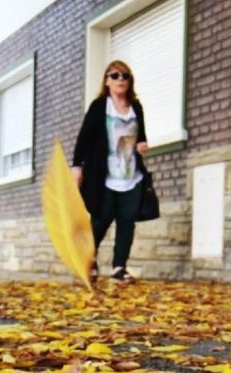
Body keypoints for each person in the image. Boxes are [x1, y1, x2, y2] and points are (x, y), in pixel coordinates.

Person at [72, 60, 149, 285]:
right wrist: (77, 166)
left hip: (131, 176)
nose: (120, 80)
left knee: (127, 223)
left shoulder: (136, 107)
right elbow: (84, 138)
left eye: (125, 76)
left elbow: (141, 136)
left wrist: (142, 144)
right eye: (114, 76)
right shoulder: (99, 106)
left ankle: (119, 268)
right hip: (104, 177)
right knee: (100, 220)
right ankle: (88, 259)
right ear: (106, 81)